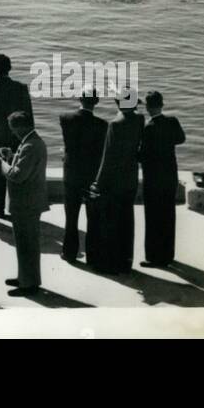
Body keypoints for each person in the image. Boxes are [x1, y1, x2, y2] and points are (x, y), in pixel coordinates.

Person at [86, 86, 143, 275]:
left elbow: (108, 158)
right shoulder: (140, 119)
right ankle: (126, 261)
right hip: (131, 177)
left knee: (112, 223)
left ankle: (113, 262)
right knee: (127, 220)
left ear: (117, 103)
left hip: (114, 181)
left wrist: (98, 182)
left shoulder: (115, 124)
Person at [2, 111, 49, 297]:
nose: (13, 132)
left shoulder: (30, 145)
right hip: (29, 201)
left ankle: (28, 284)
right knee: (25, 244)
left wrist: (2, 165)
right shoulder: (32, 142)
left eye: (13, 128)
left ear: (22, 127)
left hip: (26, 202)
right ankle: (26, 277)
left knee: (26, 244)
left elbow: (17, 175)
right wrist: (10, 156)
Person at [59, 87, 107, 262]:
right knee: (93, 217)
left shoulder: (65, 119)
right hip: (91, 174)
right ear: (97, 102)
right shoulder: (102, 125)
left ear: (80, 98)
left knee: (71, 216)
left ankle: (69, 252)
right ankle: (93, 256)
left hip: (71, 172)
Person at [137, 90, 185, 268]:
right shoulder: (172, 121)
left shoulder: (148, 128)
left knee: (153, 218)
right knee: (168, 216)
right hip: (170, 175)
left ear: (148, 107)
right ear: (162, 105)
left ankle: (153, 257)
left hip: (153, 179)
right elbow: (181, 139)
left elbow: (142, 156)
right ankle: (168, 255)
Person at [0, 55, 33, 216]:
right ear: (10, 68)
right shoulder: (20, 88)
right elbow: (28, 116)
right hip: (16, 136)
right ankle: (16, 207)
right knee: (16, 171)